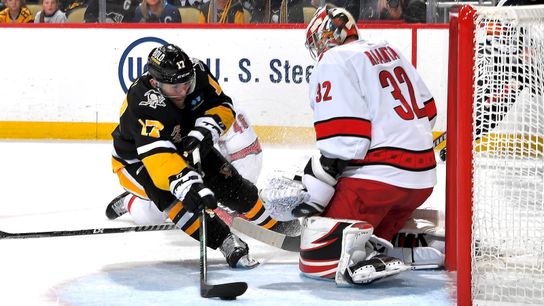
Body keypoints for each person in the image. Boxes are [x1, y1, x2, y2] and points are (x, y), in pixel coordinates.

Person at [263, 5, 437, 286]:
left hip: (378, 185)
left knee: (317, 259)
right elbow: (430, 113)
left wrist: (311, 190)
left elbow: (345, 144)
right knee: (368, 229)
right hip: (421, 183)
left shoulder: (334, 59)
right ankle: (402, 246)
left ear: (325, 36)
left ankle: (359, 256)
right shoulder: (388, 49)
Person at [107, 43, 285, 269]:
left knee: (232, 185)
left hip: (183, 143)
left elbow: (223, 105)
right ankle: (226, 241)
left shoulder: (197, 71)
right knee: (172, 202)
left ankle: (276, 226)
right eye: (174, 87)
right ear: (155, 83)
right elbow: (160, 159)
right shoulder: (142, 101)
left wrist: (204, 129)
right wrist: (187, 184)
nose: (182, 91)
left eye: (186, 83)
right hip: (139, 160)